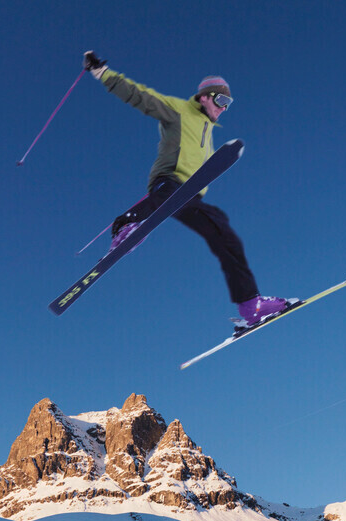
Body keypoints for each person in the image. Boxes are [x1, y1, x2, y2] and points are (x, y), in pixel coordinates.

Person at [83, 51, 291, 327]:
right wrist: (102, 73)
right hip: (168, 181)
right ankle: (126, 226)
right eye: (221, 99)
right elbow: (139, 95)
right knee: (167, 195)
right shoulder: (179, 110)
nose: (224, 107)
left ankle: (250, 304)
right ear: (205, 96)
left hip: (189, 196)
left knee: (223, 231)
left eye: (229, 102)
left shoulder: (209, 129)